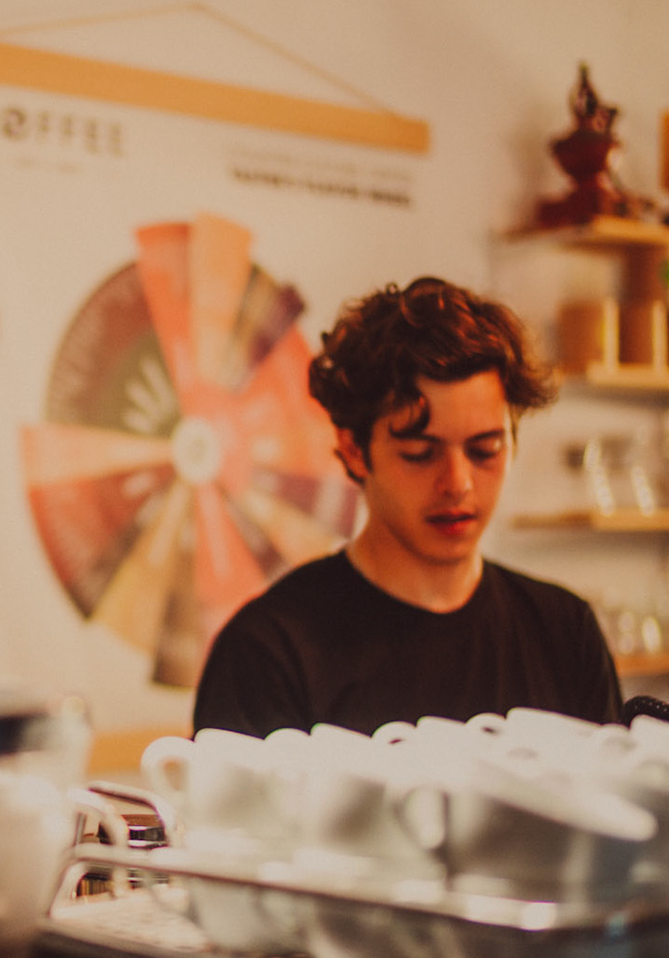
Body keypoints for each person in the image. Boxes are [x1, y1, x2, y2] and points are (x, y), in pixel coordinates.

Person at [193, 276, 620, 738]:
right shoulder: (268, 651)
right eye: (420, 453)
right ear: (355, 449)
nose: (457, 484)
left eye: (484, 450)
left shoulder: (564, 632)